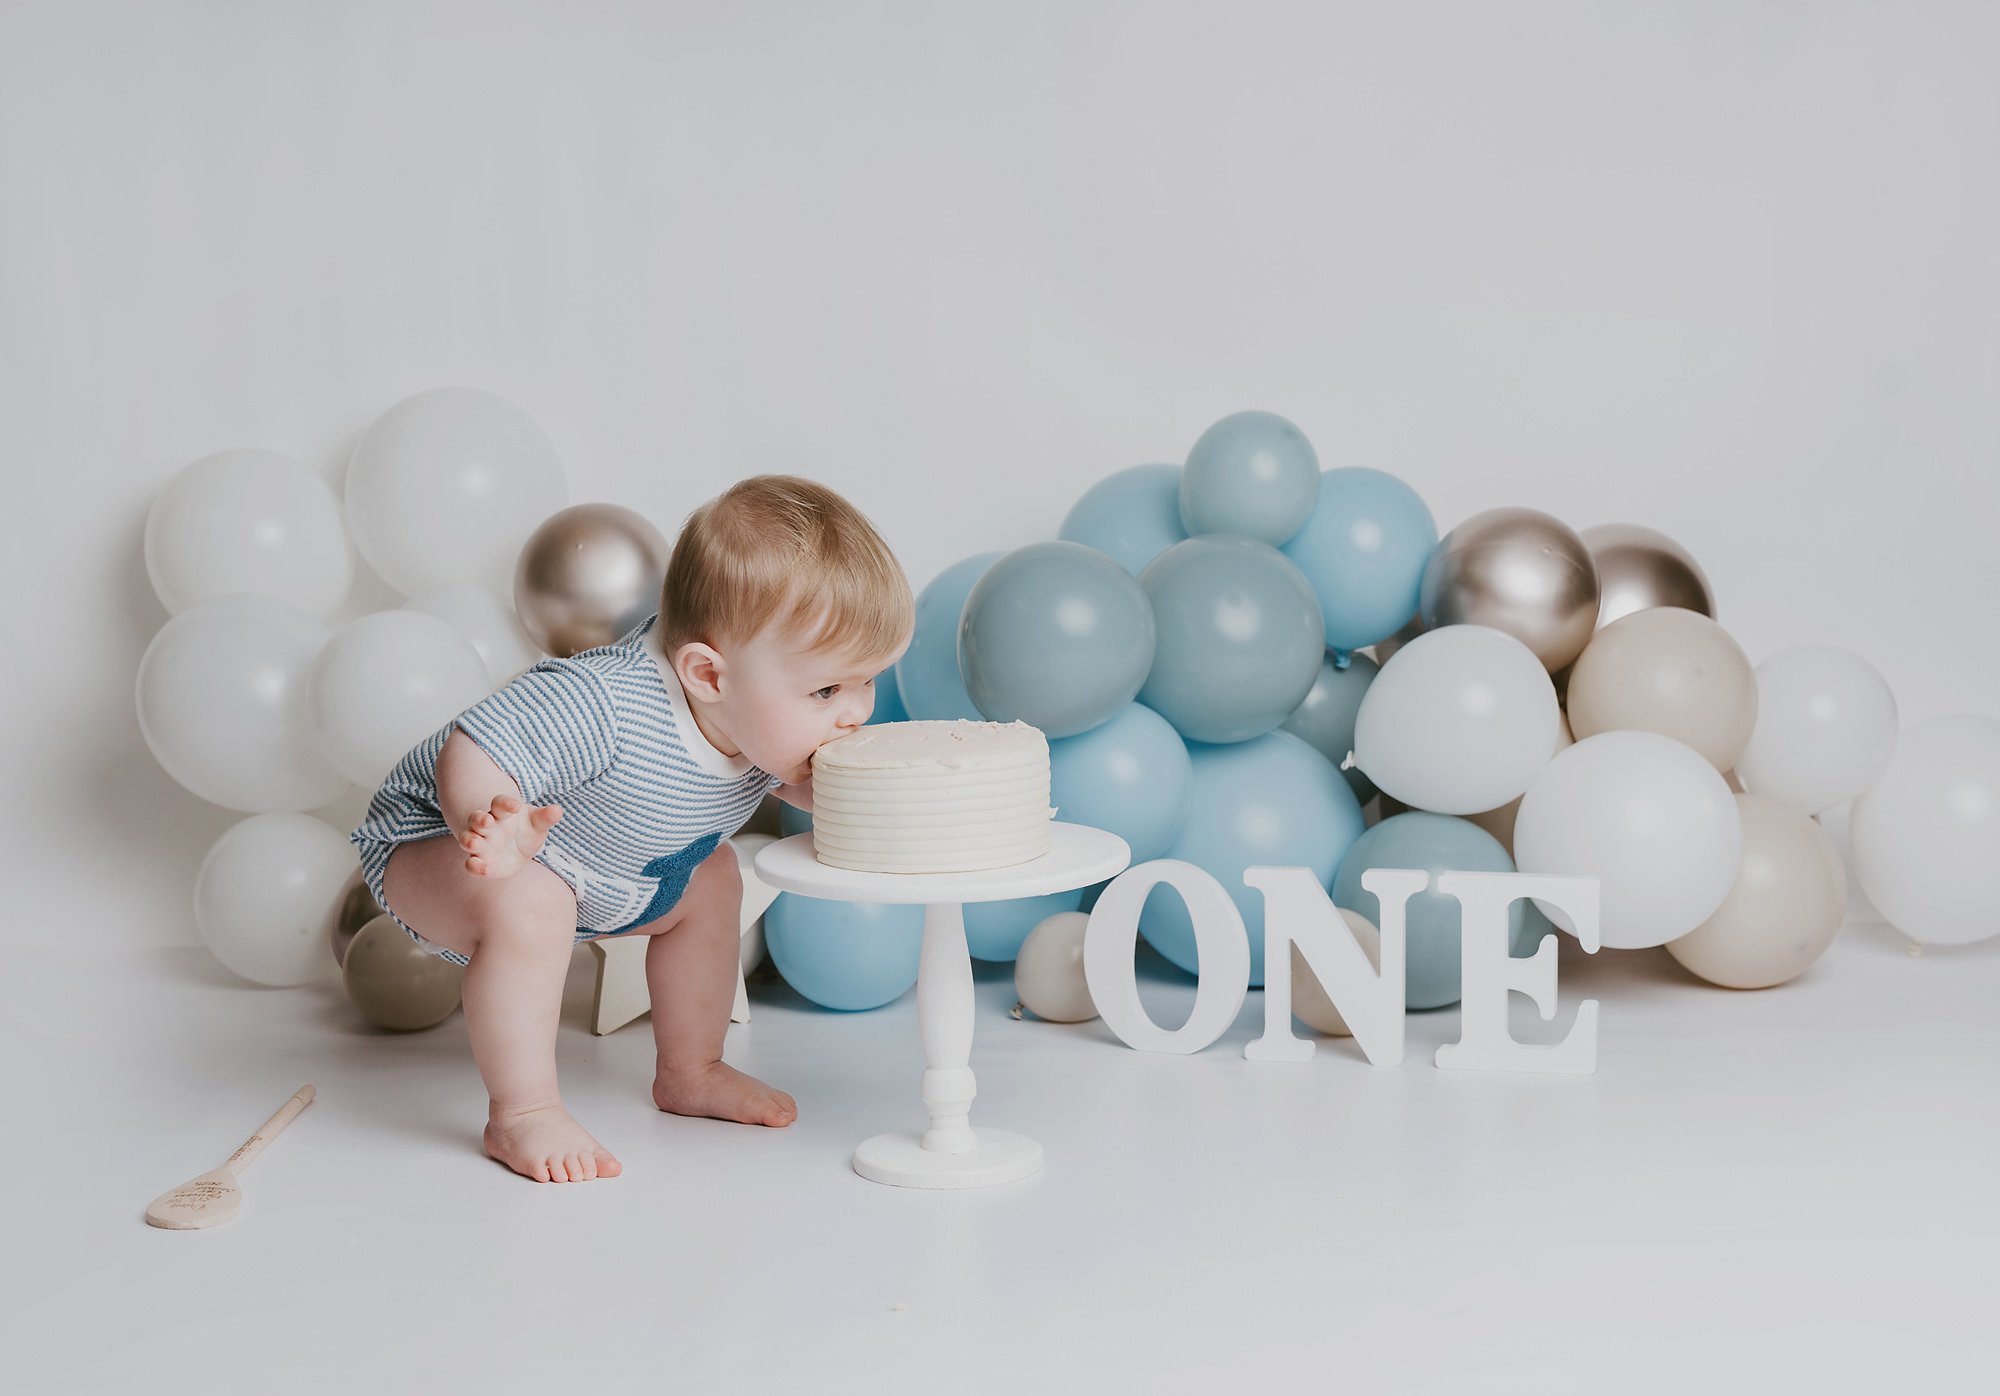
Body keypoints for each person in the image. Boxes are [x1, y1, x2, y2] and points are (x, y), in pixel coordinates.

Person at [351, 475, 913, 1182]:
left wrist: (869, 797)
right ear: (708, 675)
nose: (855, 712)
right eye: (827, 689)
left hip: (600, 875)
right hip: (437, 843)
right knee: (532, 900)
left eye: (867, 681)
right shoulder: (606, 703)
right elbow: (476, 746)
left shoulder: (756, 715)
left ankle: (691, 1070)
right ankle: (522, 1112)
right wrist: (490, 816)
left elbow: (798, 785)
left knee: (714, 878)